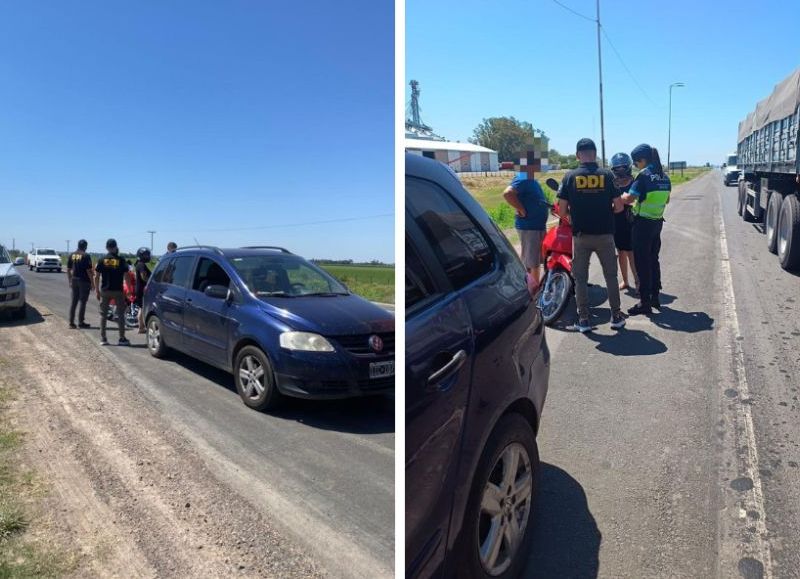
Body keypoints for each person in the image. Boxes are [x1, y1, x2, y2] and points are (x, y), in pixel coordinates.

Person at [557, 138, 626, 332]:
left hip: (580, 236)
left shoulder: (570, 177)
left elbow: (562, 212)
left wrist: (572, 217)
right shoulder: (607, 175)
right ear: (595, 154)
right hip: (605, 235)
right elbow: (619, 207)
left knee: (580, 278)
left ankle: (585, 319)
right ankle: (616, 316)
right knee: (611, 276)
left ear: (578, 155)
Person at [621, 143, 671, 316]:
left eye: (636, 163)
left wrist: (620, 196)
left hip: (642, 224)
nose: (636, 166)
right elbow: (667, 200)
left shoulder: (644, 176)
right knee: (653, 260)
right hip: (657, 223)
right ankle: (655, 296)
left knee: (642, 264)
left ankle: (644, 302)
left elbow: (629, 198)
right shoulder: (664, 176)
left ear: (642, 160)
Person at [502, 165, 549, 291]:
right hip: (530, 227)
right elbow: (508, 193)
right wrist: (521, 209)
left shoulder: (532, 179)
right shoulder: (524, 177)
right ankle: (533, 293)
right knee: (532, 261)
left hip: (537, 226)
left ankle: (534, 288)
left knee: (535, 259)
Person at [610, 153, 638, 292]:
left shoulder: (635, 182)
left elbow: (631, 200)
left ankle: (638, 281)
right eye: (617, 168)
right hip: (616, 221)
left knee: (631, 252)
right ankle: (625, 281)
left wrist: (619, 200)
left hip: (631, 220)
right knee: (621, 251)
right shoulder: (613, 183)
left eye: (623, 168)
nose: (620, 171)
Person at [94, 238, 129, 346]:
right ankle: (122, 338)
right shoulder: (121, 260)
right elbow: (126, 276)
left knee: (103, 315)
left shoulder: (102, 260)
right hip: (118, 290)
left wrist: (97, 290)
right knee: (121, 315)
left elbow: (97, 276)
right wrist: (128, 289)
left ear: (107, 247)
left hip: (105, 290)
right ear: (116, 247)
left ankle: (103, 339)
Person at [66, 239, 94, 329]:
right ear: (85, 246)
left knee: (74, 302)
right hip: (84, 281)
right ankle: (81, 322)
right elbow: (89, 271)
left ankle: (71, 323)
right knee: (82, 302)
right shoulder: (86, 256)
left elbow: (68, 269)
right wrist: (93, 283)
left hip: (74, 280)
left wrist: (70, 280)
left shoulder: (72, 255)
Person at [134, 247, 151, 333]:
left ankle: (141, 326)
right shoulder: (141, 265)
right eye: (146, 255)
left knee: (141, 307)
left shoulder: (139, 264)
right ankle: (141, 327)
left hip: (139, 288)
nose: (147, 256)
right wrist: (150, 282)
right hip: (141, 289)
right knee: (142, 308)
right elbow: (143, 276)